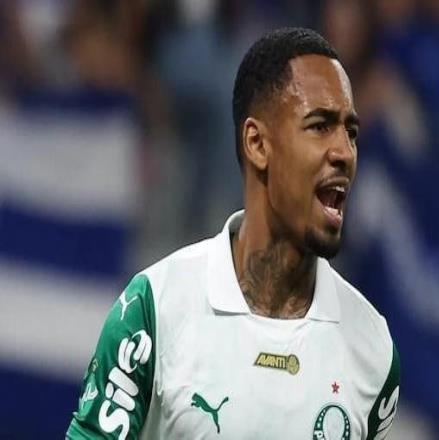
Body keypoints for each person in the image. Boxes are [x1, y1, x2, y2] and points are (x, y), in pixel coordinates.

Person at [66, 27, 400, 439]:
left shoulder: (373, 349)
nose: (344, 152)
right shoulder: (154, 309)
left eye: (351, 132)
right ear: (257, 144)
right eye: (320, 126)